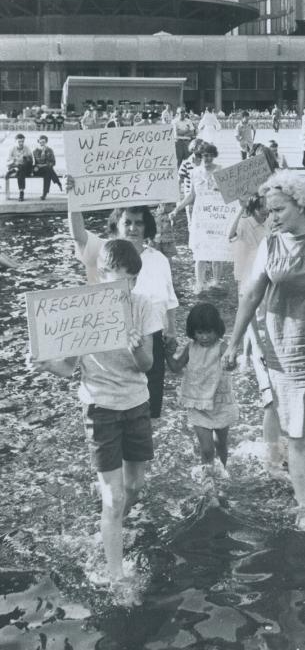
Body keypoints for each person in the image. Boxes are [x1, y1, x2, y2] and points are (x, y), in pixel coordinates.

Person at [223, 172, 305, 531]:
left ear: (302, 205)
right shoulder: (270, 244)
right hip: (291, 352)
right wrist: (234, 343)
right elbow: (251, 295)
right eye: (268, 212)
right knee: (298, 436)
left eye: (279, 210)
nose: (272, 218)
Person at [34, 239, 157, 601]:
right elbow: (68, 368)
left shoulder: (142, 306)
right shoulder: (82, 310)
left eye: (130, 280)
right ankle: (117, 577)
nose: (124, 289)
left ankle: (111, 522)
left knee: (134, 486)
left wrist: (136, 346)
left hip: (135, 403)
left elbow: (148, 365)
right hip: (100, 407)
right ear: (100, 276)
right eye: (116, 282)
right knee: (115, 496)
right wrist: (44, 364)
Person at [67, 196, 179, 420]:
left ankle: (142, 446)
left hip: (151, 337)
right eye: (127, 222)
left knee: (149, 406)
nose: (133, 228)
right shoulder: (102, 251)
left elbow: (169, 299)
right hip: (110, 337)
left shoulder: (158, 258)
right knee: (112, 404)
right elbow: (78, 234)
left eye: (139, 223)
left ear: (146, 226)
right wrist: (74, 197)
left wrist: (172, 330)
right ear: (116, 223)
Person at [228, 194, 285, 476]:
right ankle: (272, 461)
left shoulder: (293, 249)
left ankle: (285, 448)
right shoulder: (261, 250)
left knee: (289, 398)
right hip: (266, 337)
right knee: (271, 400)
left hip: (291, 340)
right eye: (271, 211)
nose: (273, 216)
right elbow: (247, 300)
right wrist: (246, 343)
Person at [166, 302, 238, 485]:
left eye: (209, 332)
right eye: (199, 332)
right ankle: (207, 481)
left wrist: (231, 362)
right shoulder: (191, 347)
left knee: (221, 443)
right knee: (206, 448)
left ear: (217, 330)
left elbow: (232, 362)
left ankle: (221, 474)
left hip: (219, 402)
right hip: (197, 403)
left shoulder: (222, 347)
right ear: (193, 332)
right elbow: (175, 367)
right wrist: (167, 353)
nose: (204, 337)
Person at [171, 142, 226, 292]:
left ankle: (216, 282)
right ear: (200, 156)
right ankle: (200, 284)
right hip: (200, 216)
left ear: (214, 156)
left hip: (216, 216)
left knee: (217, 252)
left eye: (209, 155)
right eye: (204, 155)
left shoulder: (221, 170)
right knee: (200, 251)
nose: (207, 158)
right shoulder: (195, 172)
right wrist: (177, 209)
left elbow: (228, 195)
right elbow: (191, 196)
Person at [32, 134, 64, 199]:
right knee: (49, 170)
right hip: (37, 170)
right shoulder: (35, 151)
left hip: (46, 169)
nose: (42, 143)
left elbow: (53, 162)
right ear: (38, 142)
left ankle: (44, 194)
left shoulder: (49, 150)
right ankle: (57, 182)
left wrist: (43, 165)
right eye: (40, 142)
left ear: (46, 142)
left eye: (43, 142)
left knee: (48, 171)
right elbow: (34, 163)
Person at [5, 133, 33, 200]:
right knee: (20, 170)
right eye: (19, 141)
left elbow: (31, 161)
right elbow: (7, 162)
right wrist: (14, 161)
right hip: (18, 167)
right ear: (15, 141)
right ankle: (21, 192)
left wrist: (26, 158)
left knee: (23, 166)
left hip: (26, 169)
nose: (21, 143)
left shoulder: (27, 148)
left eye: (22, 141)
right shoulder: (12, 149)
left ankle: (16, 169)